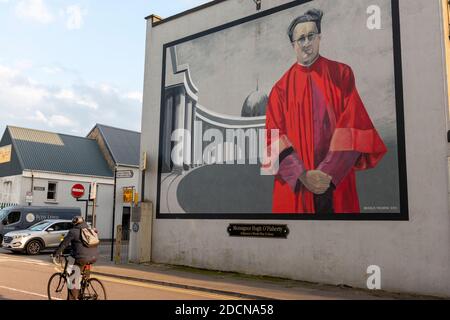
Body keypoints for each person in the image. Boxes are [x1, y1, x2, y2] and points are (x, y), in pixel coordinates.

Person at [265, 9, 387, 214]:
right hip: (298, 188)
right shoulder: (279, 90)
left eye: (311, 36)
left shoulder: (341, 74)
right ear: (292, 44)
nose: (306, 43)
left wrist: (327, 172)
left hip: (336, 181)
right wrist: (303, 175)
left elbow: (354, 126)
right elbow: (272, 139)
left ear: (319, 38)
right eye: (300, 38)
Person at [54, 216, 98, 300]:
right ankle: (85, 285)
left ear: (75, 223)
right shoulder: (91, 230)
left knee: (72, 280)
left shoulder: (73, 232)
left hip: (80, 258)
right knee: (83, 276)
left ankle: (73, 297)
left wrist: (56, 253)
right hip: (93, 257)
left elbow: (64, 244)